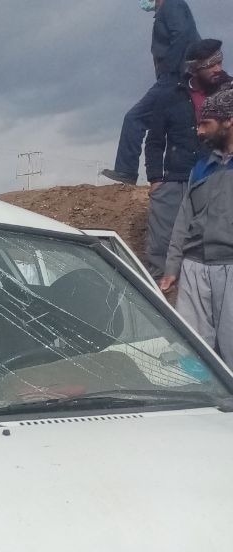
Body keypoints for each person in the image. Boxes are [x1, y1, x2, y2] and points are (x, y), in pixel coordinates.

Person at [144, 40, 231, 277]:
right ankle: (158, 301)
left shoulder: (229, 92)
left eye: (220, 62)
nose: (217, 69)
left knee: (212, 241)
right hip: (175, 178)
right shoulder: (169, 96)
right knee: (161, 245)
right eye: (211, 65)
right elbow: (154, 140)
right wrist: (155, 179)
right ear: (195, 68)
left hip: (216, 175)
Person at [162, 86, 233, 364]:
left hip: (230, 266)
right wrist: (172, 267)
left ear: (229, 120)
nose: (200, 131)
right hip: (194, 268)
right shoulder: (201, 168)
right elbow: (184, 219)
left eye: (206, 123)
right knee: (191, 352)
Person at [102, 0, 200, 185]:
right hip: (177, 77)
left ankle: (126, 171)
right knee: (169, 126)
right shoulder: (172, 7)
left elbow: (182, 36)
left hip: (173, 78)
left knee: (134, 118)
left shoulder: (172, 5)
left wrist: (171, 70)